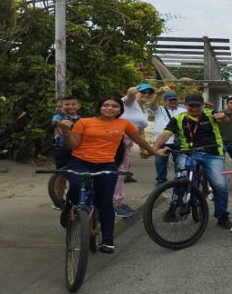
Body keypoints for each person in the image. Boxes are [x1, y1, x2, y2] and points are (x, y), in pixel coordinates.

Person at [57, 96, 164, 253]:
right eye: (106, 105)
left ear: (120, 110)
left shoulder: (124, 124)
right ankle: (69, 207)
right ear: (100, 107)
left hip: (106, 163)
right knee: (76, 185)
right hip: (80, 162)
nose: (109, 108)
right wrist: (66, 132)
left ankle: (107, 240)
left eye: (114, 106)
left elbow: (140, 140)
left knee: (105, 202)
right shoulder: (84, 122)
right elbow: (73, 144)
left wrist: (153, 151)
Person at [152, 94, 232, 229]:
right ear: (185, 105)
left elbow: (224, 119)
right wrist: (154, 149)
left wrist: (222, 116)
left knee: (220, 185)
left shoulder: (210, 114)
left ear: (202, 105)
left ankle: (222, 216)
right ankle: (175, 206)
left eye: (197, 105)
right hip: (188, 153)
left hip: (212, 153)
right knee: (180, 179)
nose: (194, 108)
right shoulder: (178, 118)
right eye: (191, 105)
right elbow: (166, 133)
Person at [115, 82, 154, 217]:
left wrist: (143, 149)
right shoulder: (128, 103)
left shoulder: (143, 109)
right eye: (143, 92)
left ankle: (118, 202)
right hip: (116, 143)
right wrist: (132, 91)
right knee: (118, 174)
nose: (146, 95)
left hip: (127, 144)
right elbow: (129, 97)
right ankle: (114, 205)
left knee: (122, 173)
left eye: (149, 93)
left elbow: (141, 130)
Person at [150, 88, 186, 187]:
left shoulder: (183, 110)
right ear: (165, 101)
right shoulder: (159, 109)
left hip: (177, 141)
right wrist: (157, 94)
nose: (173, 101)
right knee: (160, 161)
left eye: (174, 99)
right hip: (162, 140)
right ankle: (161, 181)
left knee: (179, 162)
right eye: (170, 100)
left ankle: (179, 179)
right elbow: (152, 104)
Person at [50, 96, 81, 208]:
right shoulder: (58, 117)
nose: (70, 106)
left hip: (77, 150)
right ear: (62, 106)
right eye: (67, 104)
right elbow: (60, 129)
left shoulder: (81, 119)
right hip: (62, 150)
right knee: (61, 176)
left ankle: (74, 200)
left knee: (76, 176)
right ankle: (58, 200)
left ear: (78, 106)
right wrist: (66, 131)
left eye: (73, 104)